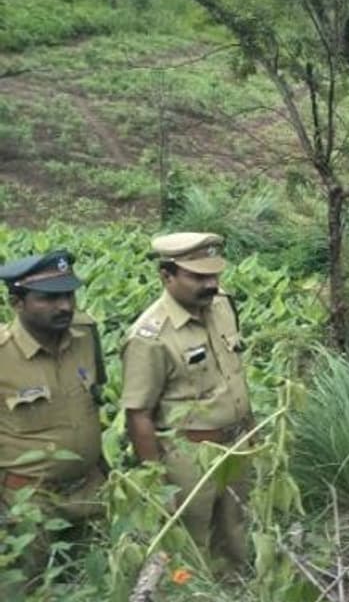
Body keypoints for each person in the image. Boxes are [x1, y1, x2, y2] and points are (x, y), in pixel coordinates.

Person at [120, 233, 252, 566]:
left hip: (238, 446)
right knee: (193, 547)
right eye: (198, 277)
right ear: (166, 276)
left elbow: (235, 375)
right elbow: (138, 415)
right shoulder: (149, 337)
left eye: (214, 274)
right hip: (190, 458)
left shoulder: (222, 305)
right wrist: (158, 484)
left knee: (239, 535)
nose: (210, 284)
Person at [0, 250, 106, 580]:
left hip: (90, 492)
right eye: (49, 298)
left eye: (69, 294)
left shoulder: (86, 334)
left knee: (92, 581)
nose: (65, 306)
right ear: (17, 302)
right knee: (32, 586)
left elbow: (95, 401)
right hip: (30, 504)